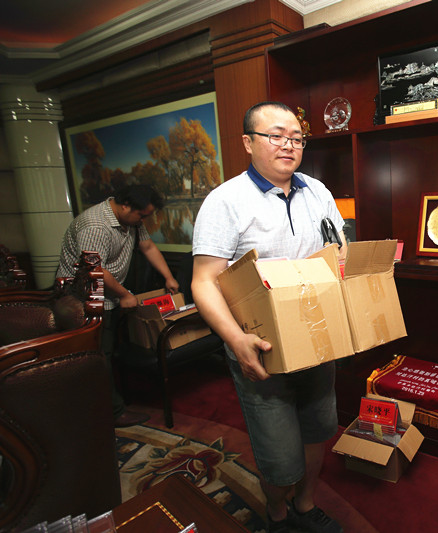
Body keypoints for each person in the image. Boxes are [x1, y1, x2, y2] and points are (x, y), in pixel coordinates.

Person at [191, 101, 347, 533]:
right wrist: (235, 340)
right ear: (248, 142)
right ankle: (276, 513)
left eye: (296, 138)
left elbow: (339, 252)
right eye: (275, 136)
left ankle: (305, 506)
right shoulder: (225, 201)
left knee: (317, 430)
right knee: (279, 456)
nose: (288, 145)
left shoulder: (318, 192)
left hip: (318, 339)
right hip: (260, 347)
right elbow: (204, 281)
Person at [56, 184, 179, 427]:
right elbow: (96, 270)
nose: (143, 221)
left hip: (108, 294)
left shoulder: (131, 219)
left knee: (108, 351)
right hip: (82, 298)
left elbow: (147, 246)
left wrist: (168, 277)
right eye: (142, 215)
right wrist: (124, 294)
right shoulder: (95, 225)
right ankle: (112, 413)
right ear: (125, 206)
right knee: (98, 355)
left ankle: (109, 403)